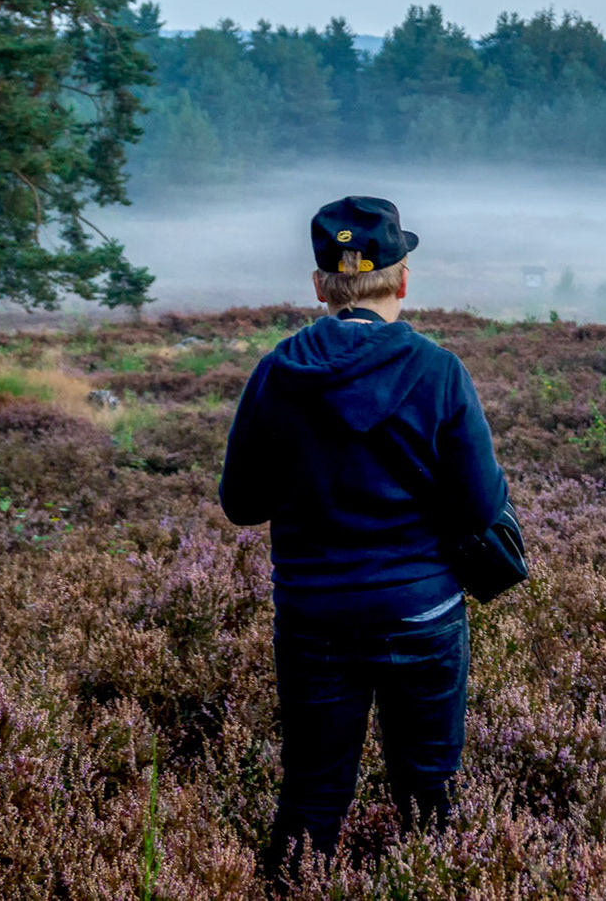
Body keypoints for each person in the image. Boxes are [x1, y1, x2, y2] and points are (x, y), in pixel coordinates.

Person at [220, 195, 507, 882]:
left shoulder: (277, 372)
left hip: (313, 618)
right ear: (402, 280)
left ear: (320, 286)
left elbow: (240, 504)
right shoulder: (439, 371)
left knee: (312, 795)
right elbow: (482, 507)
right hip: (423, 613)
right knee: (431, 790)